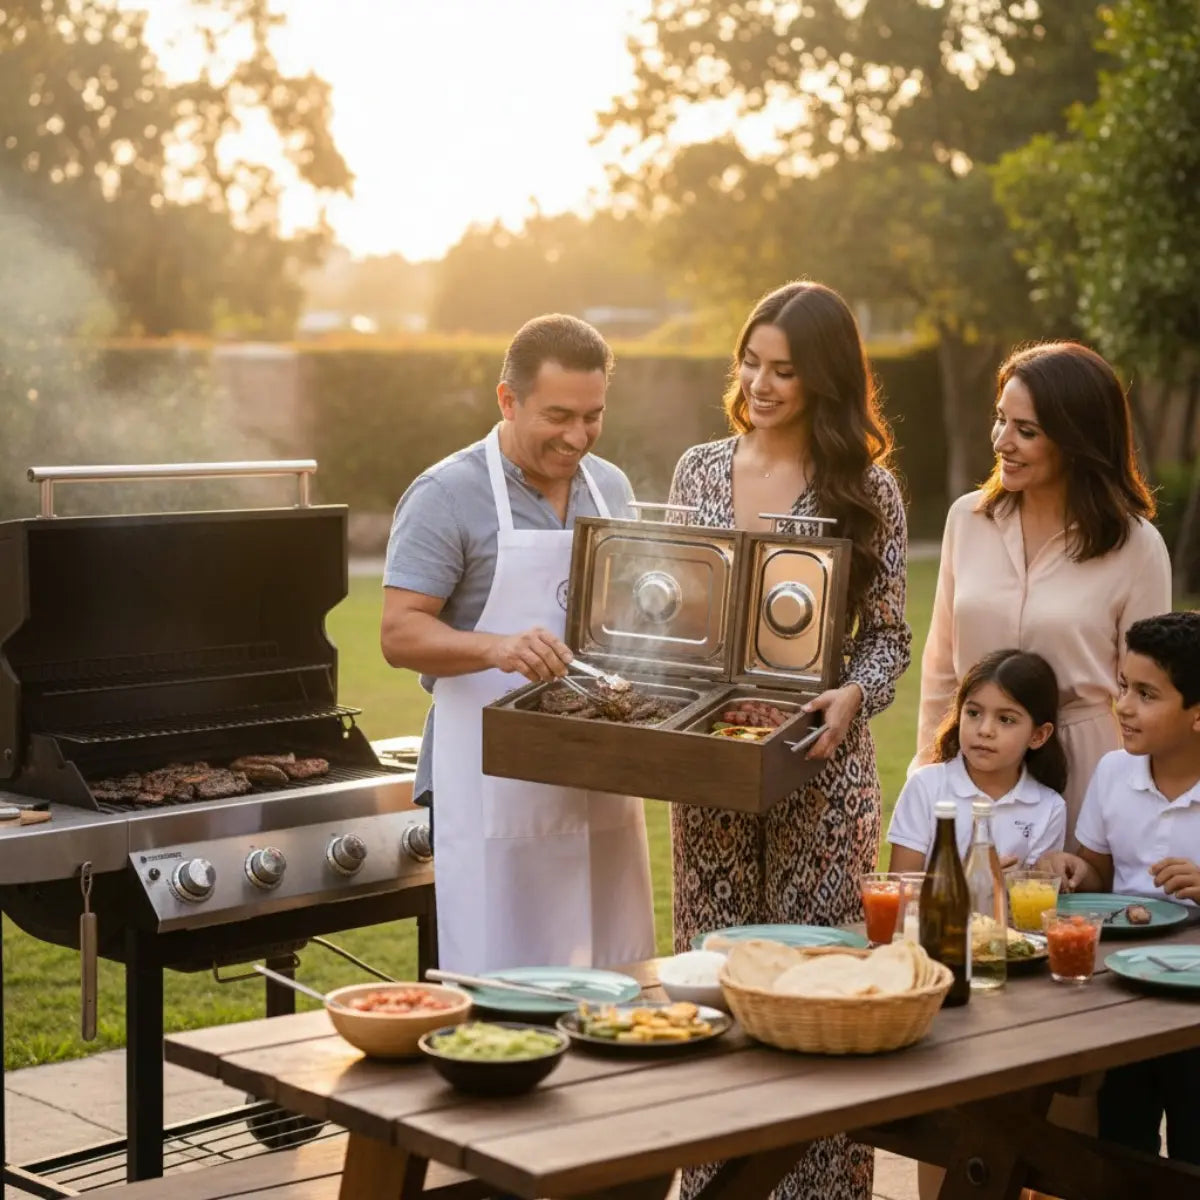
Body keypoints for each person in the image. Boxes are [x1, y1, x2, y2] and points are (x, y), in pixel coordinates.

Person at [667, 281, 911, 1200]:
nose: (761, 384)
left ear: (825, 381)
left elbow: (888, 634)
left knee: (819, 983)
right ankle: (717, 1182)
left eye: (785, 371)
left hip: (823, 765)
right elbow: (680, 610)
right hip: (715, 761)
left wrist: (857, 694)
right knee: (716, 972)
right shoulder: (696, 471)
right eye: (752, 363)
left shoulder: (867, 487)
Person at [380, 313, 656, 975]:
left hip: (598, 770)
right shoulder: (447, 495)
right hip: (487, 775)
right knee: (503, 975)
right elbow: (398, 632)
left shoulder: (609, 488)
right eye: (558, 415)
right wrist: (497, 648)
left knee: (611, 972)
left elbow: (632, 617)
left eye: (593, 416)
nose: (577, 436)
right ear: (508, 400)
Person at [915, 341, 1172, 847]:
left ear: (1076, 441)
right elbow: (942, 666)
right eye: (1000, 420)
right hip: (974, 775)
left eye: (1025, 430)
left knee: (1072, 920)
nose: (1001, 441)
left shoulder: (1136, 545)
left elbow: (1149, 693)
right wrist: (930, 770)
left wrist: (1143, 808)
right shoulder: (967, 520)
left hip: (1086, 772)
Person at [1037, 611, 1200, 1166]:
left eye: (1147, 694)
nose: (1123, 706)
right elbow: (1099, 875)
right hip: (1123, 996)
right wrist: (1076, 872)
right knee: (1119, 1151)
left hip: (1195, 1013)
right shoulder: (1113, 773)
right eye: (1124, 686)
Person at [889, 649, 1066, 872]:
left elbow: (1037, 895)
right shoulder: (925, 786)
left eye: (1006, 719)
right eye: (973, 713)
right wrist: (969, 881)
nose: (985, 730)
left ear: (1038, 736)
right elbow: (901, 886)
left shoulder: (1049, 808)